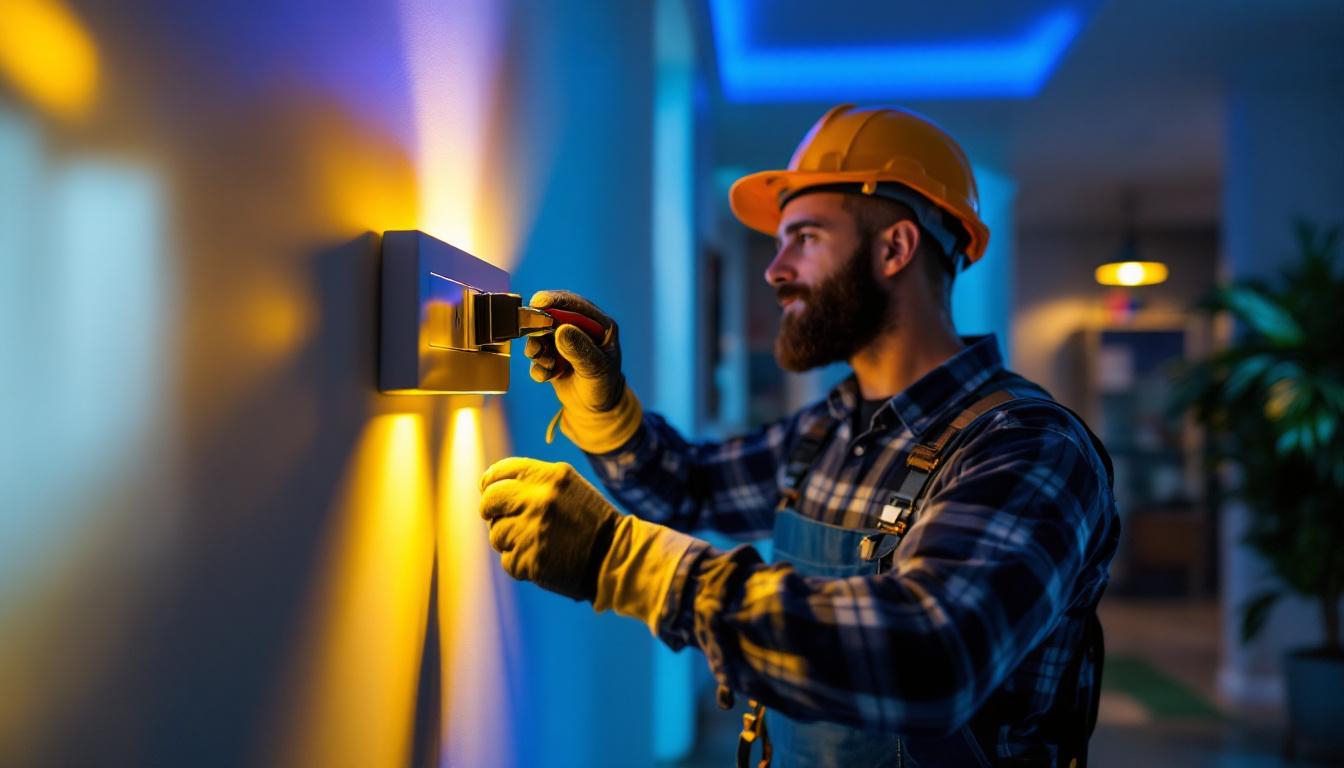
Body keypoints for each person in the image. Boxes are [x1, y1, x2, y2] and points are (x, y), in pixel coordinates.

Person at [479, 104, 1119, 767]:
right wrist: (606, 411)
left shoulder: (1026, 446)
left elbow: (932, 656)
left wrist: (624, 561)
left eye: (805, 238)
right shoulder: (828, 431)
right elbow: (689, 486)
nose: (774, 269)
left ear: (895, 248)